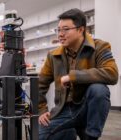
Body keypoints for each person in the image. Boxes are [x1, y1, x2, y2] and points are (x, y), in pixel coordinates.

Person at [38, 8, 118, 140]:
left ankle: (91, 136)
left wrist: (73, 76)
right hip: (64, 109)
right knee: (41, 136)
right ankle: (69, 132)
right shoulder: (53, 55)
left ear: (81, 30)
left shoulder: (100, 47)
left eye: (65, 29)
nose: (60, 34)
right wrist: (41, 110)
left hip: (86, 107)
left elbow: (112, 73)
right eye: (58, 30)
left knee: (99, 89)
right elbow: (40, 84)